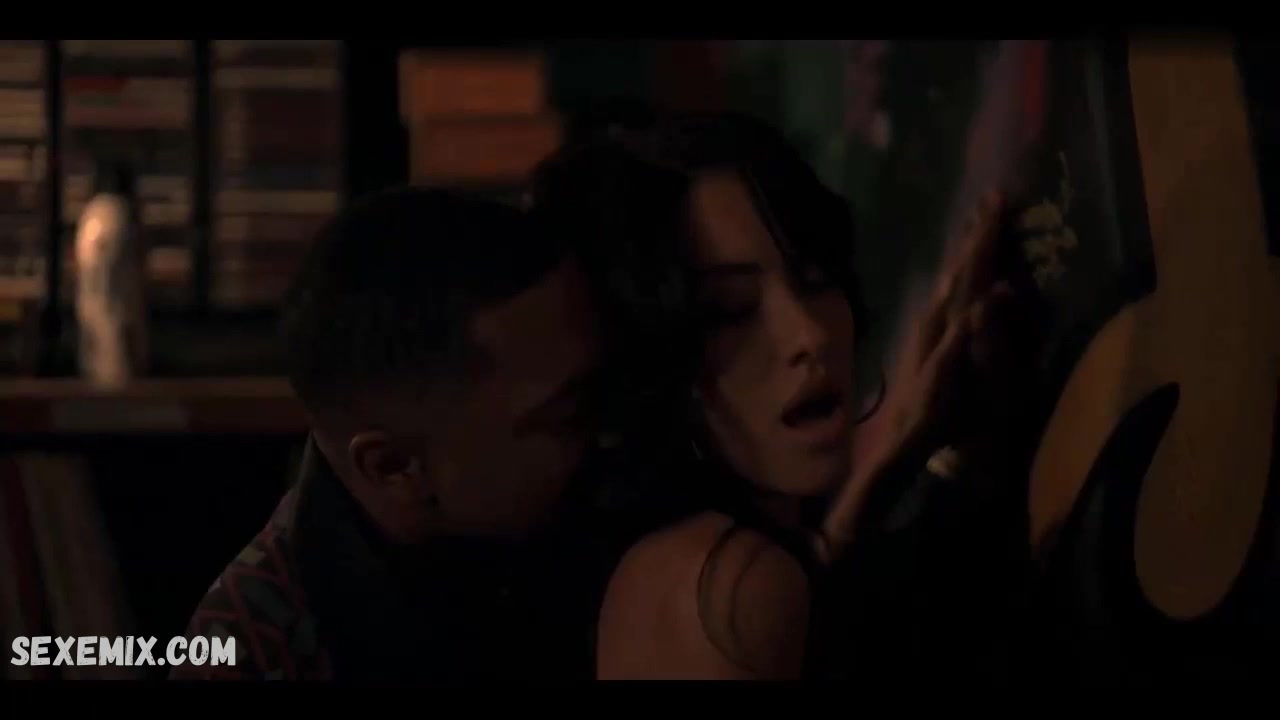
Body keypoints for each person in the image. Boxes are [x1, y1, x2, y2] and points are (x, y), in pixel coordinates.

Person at [529, 113, 1033, 681]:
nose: (809, 334)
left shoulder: (675, 557)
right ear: (639, 353)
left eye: (813, 276)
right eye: (729, 310)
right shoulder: (734, 586)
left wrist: (908, 445)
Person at [171, 187, 606, 682]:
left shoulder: (593, 529)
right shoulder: (258, 656)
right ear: (394, 466)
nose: (611, 431)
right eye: (568, 415)